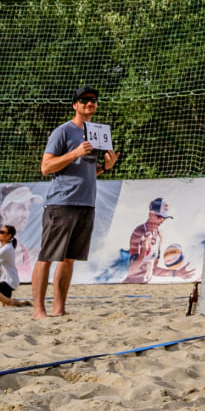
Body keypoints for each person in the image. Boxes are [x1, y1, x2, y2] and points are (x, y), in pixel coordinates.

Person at [32, 86, 119, 318]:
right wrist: (75, 153)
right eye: (84, 100)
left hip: (86, 203)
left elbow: (88, 171)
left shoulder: (97, 132)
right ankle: (38, 310)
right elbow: (45, 167)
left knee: (69, 259)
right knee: (48, 256)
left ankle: (59, 309)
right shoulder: (63, 131)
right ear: (75, 105)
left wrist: (105, 167)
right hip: (61, 202)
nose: (90, 103)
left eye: (93, 100)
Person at [125, 198, 193, 283]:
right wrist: (143, 251)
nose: (162, 220)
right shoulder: (139, 232)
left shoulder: (159, 236)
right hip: (131, 285)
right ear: (151, 213)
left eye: (164, 218)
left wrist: (176, 273)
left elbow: (153, 270)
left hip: (145, 286)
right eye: (159, 216)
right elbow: (131, 269)